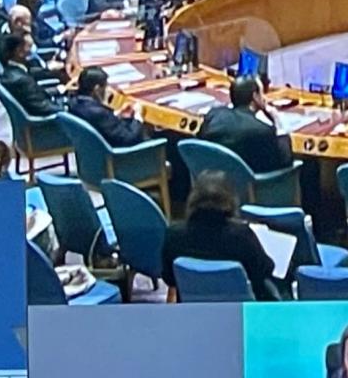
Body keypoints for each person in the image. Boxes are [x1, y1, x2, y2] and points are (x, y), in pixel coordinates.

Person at [162, 171, 280, 301]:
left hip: (193, 309)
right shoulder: (242, 236)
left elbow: (169, 278)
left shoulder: (174, 235)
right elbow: (264, 270)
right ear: (231, 200)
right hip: (240, 311)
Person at [198, 74, 293, 174]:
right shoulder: (262, 130)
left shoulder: (213, 116)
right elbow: (285, 160)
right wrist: (278, 123)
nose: (264, 98)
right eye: (261, 93)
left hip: (212, 178)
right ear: (255, 96)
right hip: (252, 182)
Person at [67, 67, 154, 148]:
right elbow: (129, 138)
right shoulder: (98, 112)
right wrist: (138, 116)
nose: (107, 90)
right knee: (155, 132)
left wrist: (117, 114)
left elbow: (100, 123)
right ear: (97, 89)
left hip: (90, 149)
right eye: (105, 86)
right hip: (120, 153)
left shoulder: (74, 103)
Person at [0, 33, 63, 117]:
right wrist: (67, 108)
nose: (32, 50)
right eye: (29, 46)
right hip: (49, 118)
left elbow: (34, 95)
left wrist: (58, 89)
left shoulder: (11, 72)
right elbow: (42, 107)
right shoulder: (22, 80)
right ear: (19, 51)